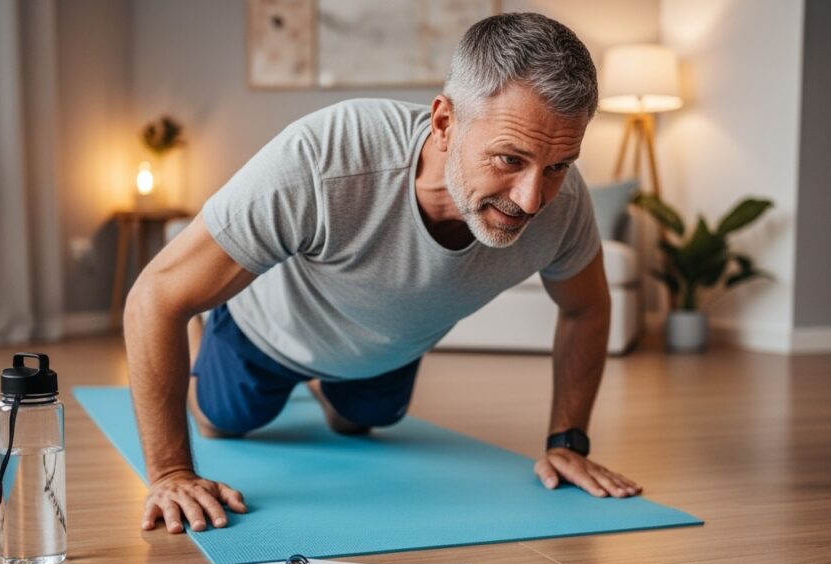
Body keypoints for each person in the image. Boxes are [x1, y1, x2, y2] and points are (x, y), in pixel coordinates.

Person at [124, 12, 643, 535]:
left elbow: (587, 307)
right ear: (444, 123)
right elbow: (156, 295)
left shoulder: (563, 205)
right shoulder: (326, 157)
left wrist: (567, 441)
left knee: (362, 423)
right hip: (268, 332)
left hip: (383, 350)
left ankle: (332, 385)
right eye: (510, 159)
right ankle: (212, 329)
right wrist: (170, 473)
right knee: (222, 421)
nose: (532, 199)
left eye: (558, 166)